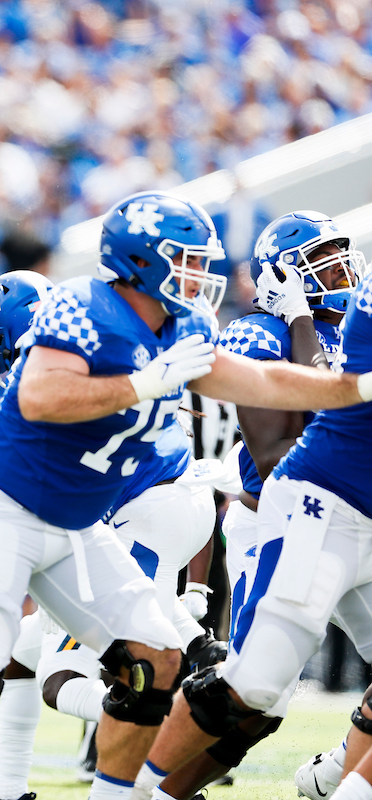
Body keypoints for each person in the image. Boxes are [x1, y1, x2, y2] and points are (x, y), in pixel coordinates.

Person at [0, 190, 372, 800]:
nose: (201, 276)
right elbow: (39, 397)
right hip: (7, 505)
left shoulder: (185, 325)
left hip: (82, 522)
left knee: (160, 659)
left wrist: (356, 387)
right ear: (142, 261)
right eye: (186, 260)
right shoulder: (81, 306)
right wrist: (144, 382)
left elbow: (264, 380)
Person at [0, 271, 220, 800]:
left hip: (139, 513)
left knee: (65, 678)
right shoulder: (104, 351)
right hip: (168, 506)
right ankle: (13, 787)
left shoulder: (52, 395)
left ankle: (167, 760)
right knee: (26, 649)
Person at [132, 213, 372, 800]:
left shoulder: (342, 332)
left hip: (355, 516)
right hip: (281, 518)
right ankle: (144, 790)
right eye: (324, 263)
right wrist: (296, 320)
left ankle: (341, 774)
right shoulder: (259, 331)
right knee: (257, 699)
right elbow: (273, 453)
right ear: (282, 277)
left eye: (344, 259)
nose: (341, 272)